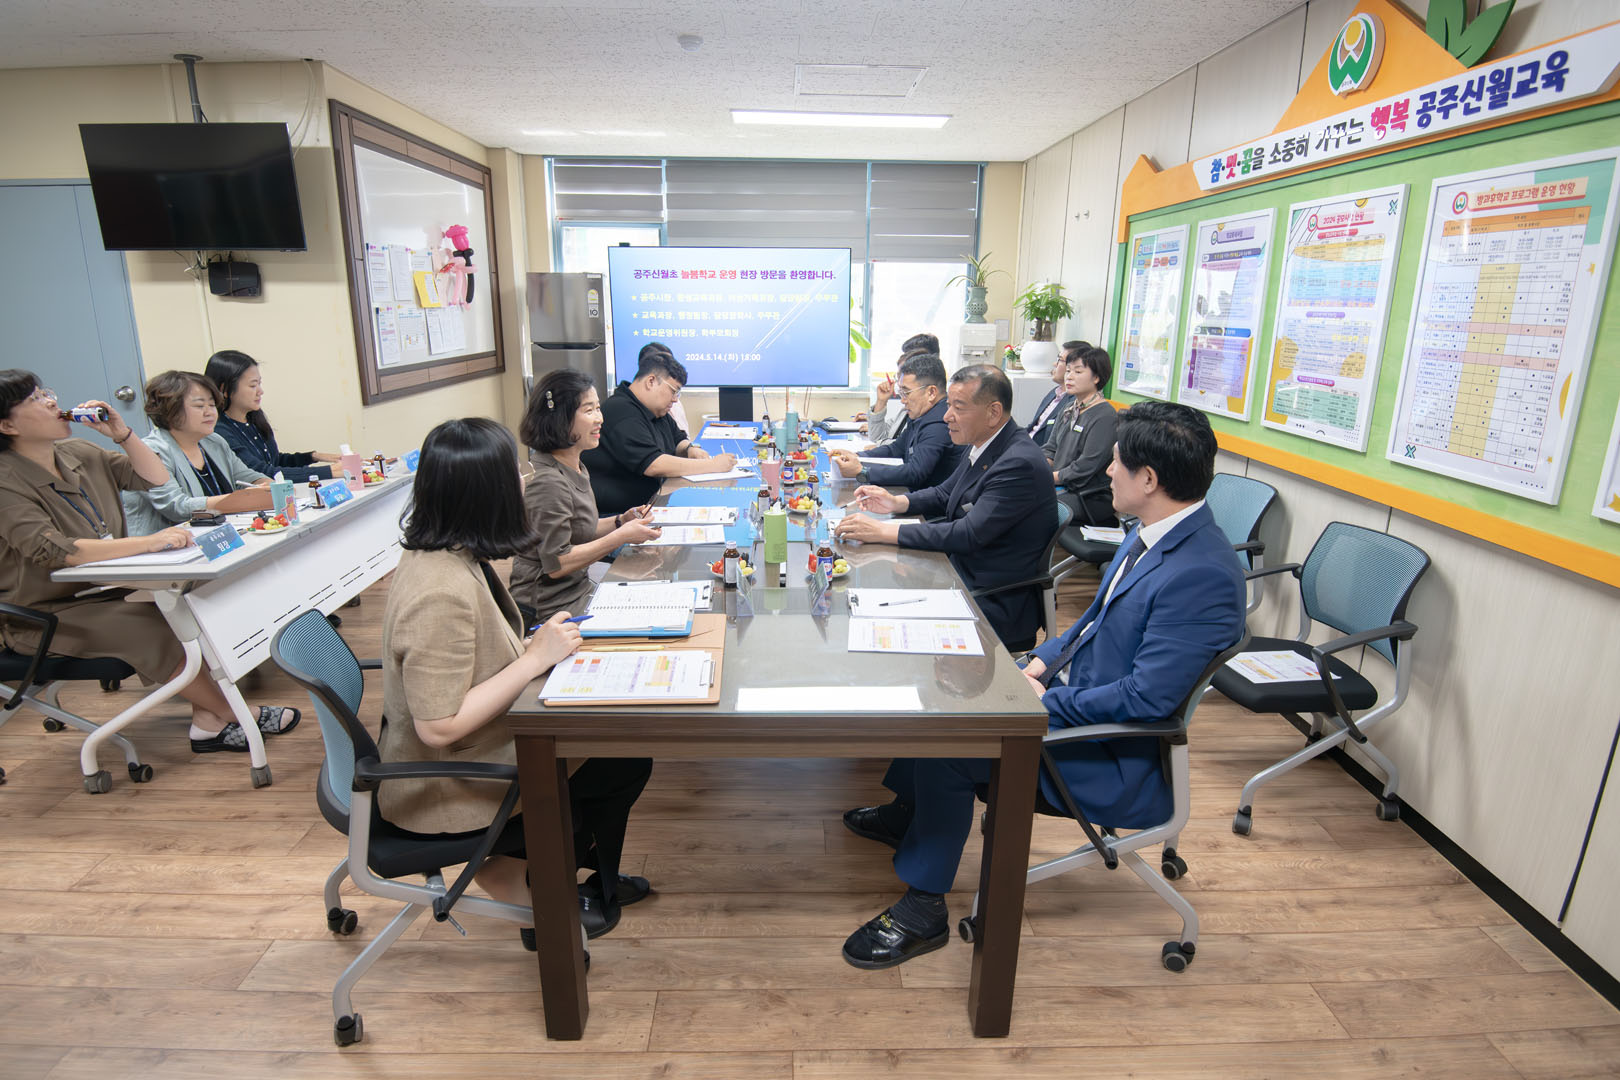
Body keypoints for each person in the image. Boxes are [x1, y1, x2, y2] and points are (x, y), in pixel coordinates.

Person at [838, 400, 1247, 969]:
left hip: (1111, 751)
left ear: (1149, 480)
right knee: (938, 689)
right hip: (1077, 700)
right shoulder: (1157, 533)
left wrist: (1049, 699)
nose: (1107, 470)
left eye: (1116, 462)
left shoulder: (1202, 573)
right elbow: (1091, 623)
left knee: (951, 743)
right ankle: (909, 813)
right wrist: (1039, 663)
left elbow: (1147, 699)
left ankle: (923, 908)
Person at [379, 417, 654, 941]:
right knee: (617, 760)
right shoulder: (439, 590)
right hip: (447, 783)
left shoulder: (449, 554)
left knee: (621, 755)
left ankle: (547, 872)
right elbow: (438, 726)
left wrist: (534, 648)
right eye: (516, 475)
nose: (525, 484)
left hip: (474, 747)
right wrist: (532, 660)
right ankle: (527, 882)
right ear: (488, 494)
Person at [0, 370, 300, 753]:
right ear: (7, 425)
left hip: (105, 589)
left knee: (191, 611)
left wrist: (123, 435)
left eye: (46, 392)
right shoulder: (6, 481)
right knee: (154, 627)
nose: (51, 401)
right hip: (44, 613)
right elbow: (58, 551)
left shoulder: (77, 453)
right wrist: (147, 543)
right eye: (34, 399)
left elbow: (156, 478)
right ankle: (237, 713)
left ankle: (208, 722)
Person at [833, 364, 1057, 650]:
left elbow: (967, 534)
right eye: (948, 405)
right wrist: (897, 502)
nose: (947, 416)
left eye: (958, 407)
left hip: (989, 597)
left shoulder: (1018, 463)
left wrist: (882, 531)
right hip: (957, 573)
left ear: (993, 412)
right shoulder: (985, 443)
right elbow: (944, 493)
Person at [510, 370, 663, 627]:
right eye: (589, 410)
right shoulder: (548, 481)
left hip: (578, 589)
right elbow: (557, 563)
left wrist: (620, 521)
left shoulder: (574, 465)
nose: (599, 419)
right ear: (561, 418)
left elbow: (579, 529)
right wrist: (621, 536)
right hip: (550, 608)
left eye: (598, 408)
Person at [580, 352, 736, 516]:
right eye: (673, 391)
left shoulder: (655, 410)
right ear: (651, 381)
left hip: (652, 504)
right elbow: (654, 464)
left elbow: (677, 439)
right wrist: (713, 465)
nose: (675, 399)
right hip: (620, 515)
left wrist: (690, 449)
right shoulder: (621, 411)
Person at [121, 371, 273, 537]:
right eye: (200, 406)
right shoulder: (150, 451)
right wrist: (238, 499)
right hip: (165, 546)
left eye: (212, 405)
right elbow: (176, 507)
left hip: (217, 537)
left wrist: (270, 487)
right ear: (170, 409)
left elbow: (248, 477)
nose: (210, 412)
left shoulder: (214, 442)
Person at [828, 353, 963, 490]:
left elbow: (915, 472)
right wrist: (856, 456)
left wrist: (862, 472)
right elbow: (896, 449)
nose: (902, 400)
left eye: (906, 393)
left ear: (931, 392)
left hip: (928, 500)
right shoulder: (923, 415)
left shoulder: (939, 423)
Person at [204, 350, 339, 482]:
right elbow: (261, 473)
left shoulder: (253, 418)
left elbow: (274, 461)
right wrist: (329, 471)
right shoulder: (219, 431)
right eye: (252, 385)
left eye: (259, 383)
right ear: (224, 389)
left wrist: (313, 456)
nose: (260, 391)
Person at [1047, 346, 1118, 526]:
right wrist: (1036, 468)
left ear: (1096, 377)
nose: (1069, 376)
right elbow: (1050, 449)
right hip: (1060, 484)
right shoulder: (1069, 408)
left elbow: (1085, 467)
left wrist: (1048, 477)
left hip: (1087, 496)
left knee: (1030, 503)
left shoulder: (1105, 416)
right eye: (1068, 370)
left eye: (1078, 372)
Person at [862, 333, 939, 444]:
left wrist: (881, 446)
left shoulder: (933, 415)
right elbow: (877, 437)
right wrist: (881, 402)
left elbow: (906, 447)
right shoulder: (906, 409)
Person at [1025, 339, 1089, 447]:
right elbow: (1034, 427)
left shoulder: (1076, 403)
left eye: (1059, 360)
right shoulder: (1054, 392)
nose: (1054, 364)